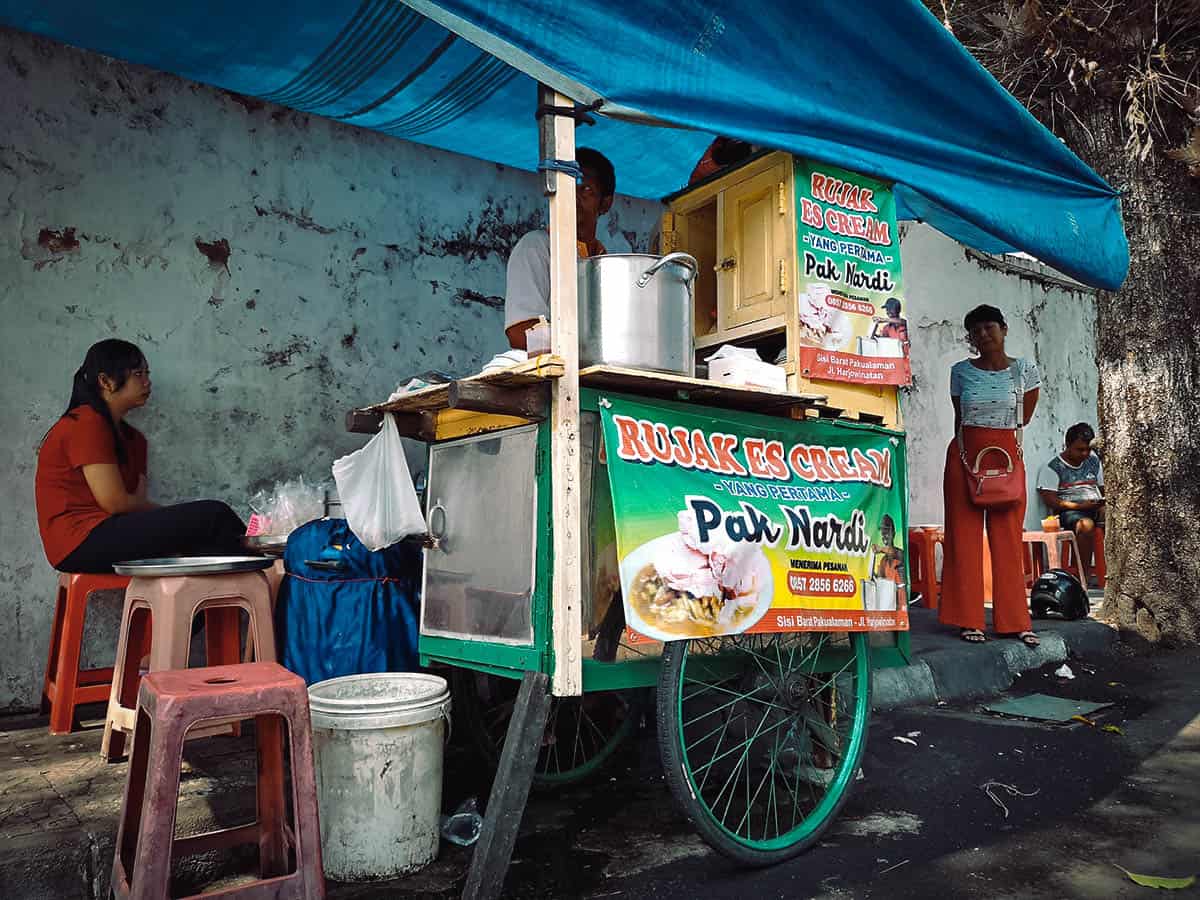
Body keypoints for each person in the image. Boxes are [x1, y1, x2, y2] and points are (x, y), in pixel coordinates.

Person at [36, 339, 248, 573]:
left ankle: (214, 607)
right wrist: (169, 516)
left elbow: (135, 502)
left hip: (110, 529)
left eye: (147, 373)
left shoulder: (133, 439)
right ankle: (271, 581)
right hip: (78, 540)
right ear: (105, 381)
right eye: (138, 374)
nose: (147, 382)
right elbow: (116, 502)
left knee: (199, 547)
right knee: (213, 515)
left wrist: (170, 522)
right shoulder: (86, 422)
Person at [939, 305, 1041, 645]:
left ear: (1004, 328)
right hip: (966, 457)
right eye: (976, 331)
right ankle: (968, 619)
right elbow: (960, 416)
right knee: (963, 539)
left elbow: (1023, 418)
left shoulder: (1025, 370)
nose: (983, 335)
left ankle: (1015, 621)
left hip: (1007, 458)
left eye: (989, 327)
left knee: (1008, 539)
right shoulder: (960, 372)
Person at [504, 148, 615, 350]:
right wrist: (587, 349)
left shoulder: (607, 263)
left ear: (605, 203)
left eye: (586, 190)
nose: (574, 197)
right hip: (551, 378)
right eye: (568, 186)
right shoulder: (536, 247)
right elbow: (520, 333)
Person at [1037, 422, 1104, 585]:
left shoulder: (1094, 462)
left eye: (1088, 449)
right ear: (1067, 445)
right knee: (1086, 525)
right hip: (1070, 511)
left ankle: (1115, 573)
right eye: (1080, 449)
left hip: (1094, 506)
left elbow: (1102, 488)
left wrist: (1102, 504)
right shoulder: (1053, 467)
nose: (1085, 453)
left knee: (1120, 519)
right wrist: (1080, 506)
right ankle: (1082, 576)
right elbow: (1051, 500)